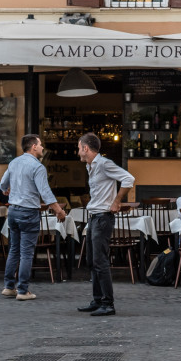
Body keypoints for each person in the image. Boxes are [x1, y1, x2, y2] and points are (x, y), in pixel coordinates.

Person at [0, 134, 66, 301]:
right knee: (27, 253)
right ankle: (22, 290)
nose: (43, 148)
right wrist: (59, 210)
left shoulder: (14, 162)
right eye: (41, 144)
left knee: (14, 250)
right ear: (34, 147)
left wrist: (8, 190)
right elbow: (45, 192)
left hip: (13, 211)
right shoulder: (38, 167)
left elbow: (2, 185)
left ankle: (8, 287)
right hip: (29, 212)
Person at [77, 133, 134, 316]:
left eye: (79, 147)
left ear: (86, 148)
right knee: (92, 261)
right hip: (95, 217)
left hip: (103, 217)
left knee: (100, 261)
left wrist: (117, 201)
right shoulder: (90, 166)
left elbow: (129, 179)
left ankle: (108, 304)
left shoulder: (104, 164)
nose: (78, 151)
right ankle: (98, 300)